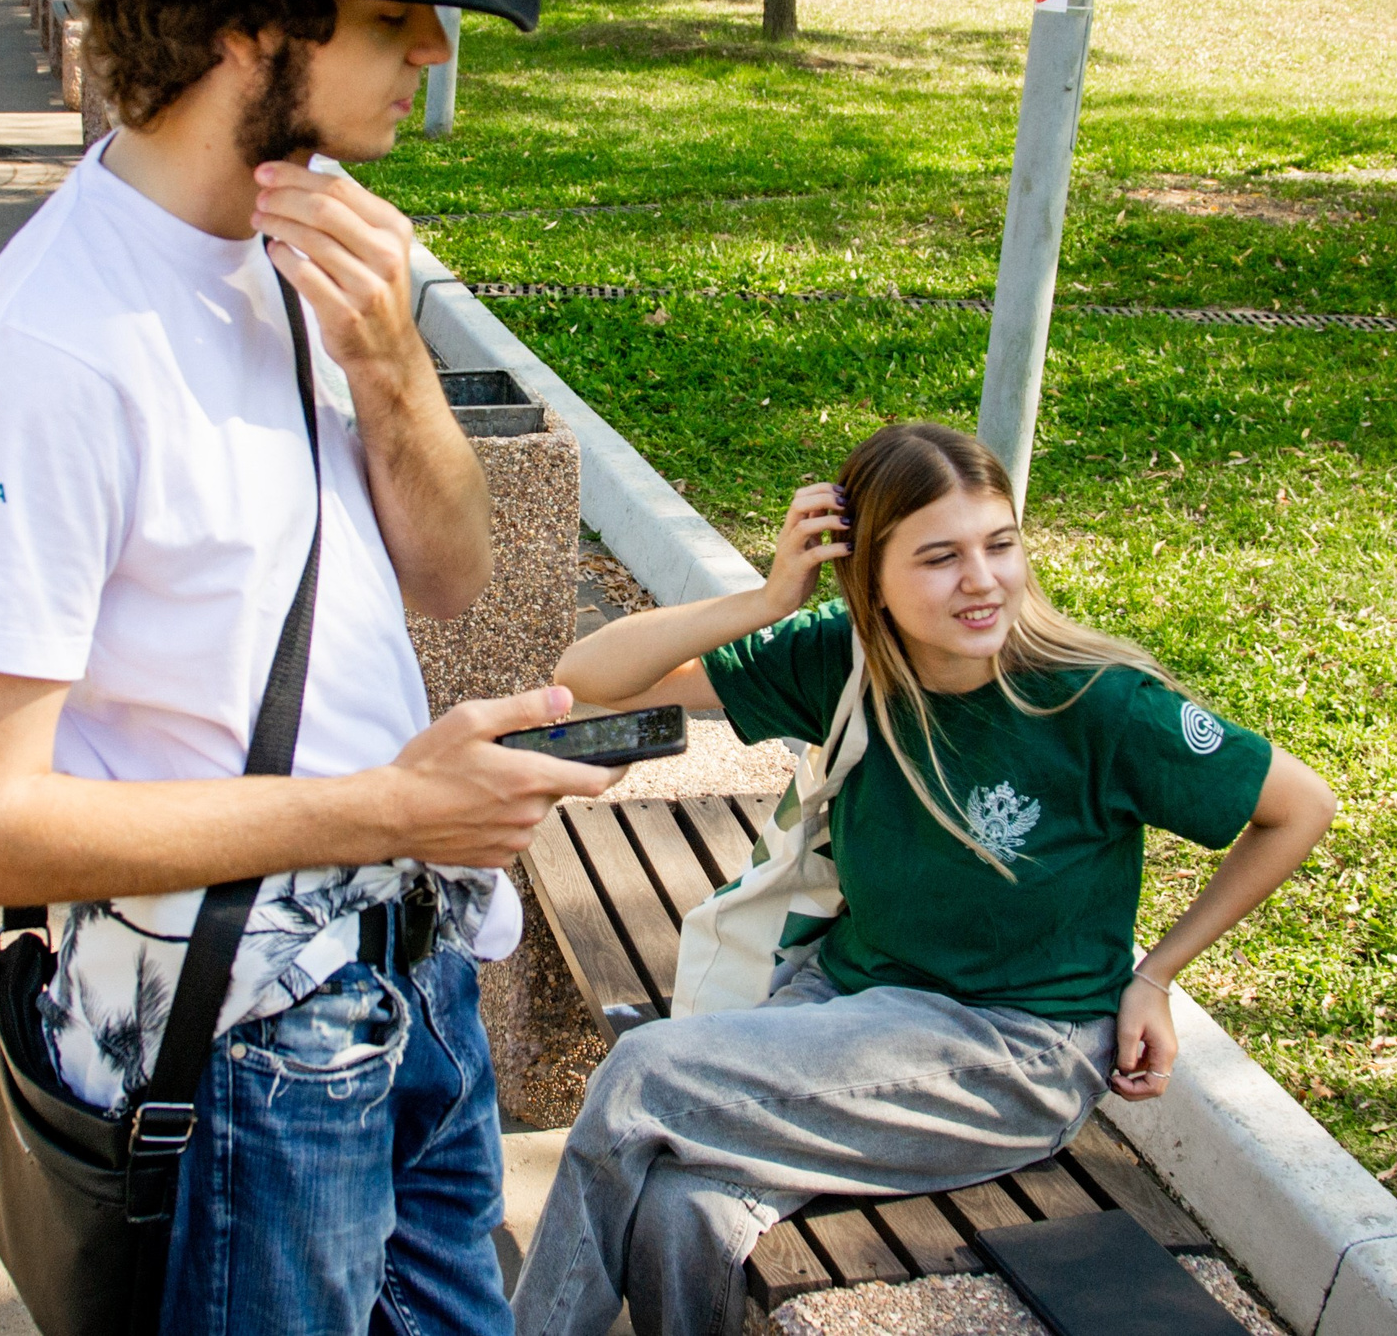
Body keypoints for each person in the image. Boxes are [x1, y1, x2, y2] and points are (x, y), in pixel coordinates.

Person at [0, 0, 599, 1336]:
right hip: (241, 1056)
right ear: (247, 24)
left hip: (407, 988)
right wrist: (395, 802)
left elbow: (451, 581)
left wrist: (394, 366)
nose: (433, 47)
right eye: (389, 11)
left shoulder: (313, 238)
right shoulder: (62, 341)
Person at [510, 421, 1339, 1336]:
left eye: (1000, 544)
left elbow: (1298, 807)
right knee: (681, 1208)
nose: (982, 580)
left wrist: (1154, 975)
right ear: (869, 574)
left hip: (1014, 1053)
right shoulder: (845, 659)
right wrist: (768, 596)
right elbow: (591, 675)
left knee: (640, 1075)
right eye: (940, 556)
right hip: (848, 1006)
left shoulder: (1094, 702)